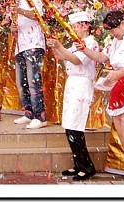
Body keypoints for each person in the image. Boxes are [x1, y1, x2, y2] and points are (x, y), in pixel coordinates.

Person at [75, 10, 124, 184]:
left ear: (122, 23)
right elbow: (101, 57)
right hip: (119, 88)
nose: (112, 33)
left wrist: (119, 73)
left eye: (112, 29)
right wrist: (84, 49)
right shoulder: (116, 41)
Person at [46, 11, 98, 180]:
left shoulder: (90, 43)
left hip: (82, 84)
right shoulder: (76, 43)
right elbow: (63, 56)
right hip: (72, 83)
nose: (74, 30)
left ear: (85, 26)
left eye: (76, 27)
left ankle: (87, 166)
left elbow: (77, 60)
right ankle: (78, 164)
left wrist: (59, 46)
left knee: (76, 127)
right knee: (69, 126)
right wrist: (55, 45)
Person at [9, 0, 47, 129]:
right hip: (20, 46)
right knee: (21, 83)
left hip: (33, 45)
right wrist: (13, 28)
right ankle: (28, 112)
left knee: (33, 82)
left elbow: (37, 15)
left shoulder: (32, 0)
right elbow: (15, 27)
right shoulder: (14, 4)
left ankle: (40, 116)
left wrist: (19, 10)